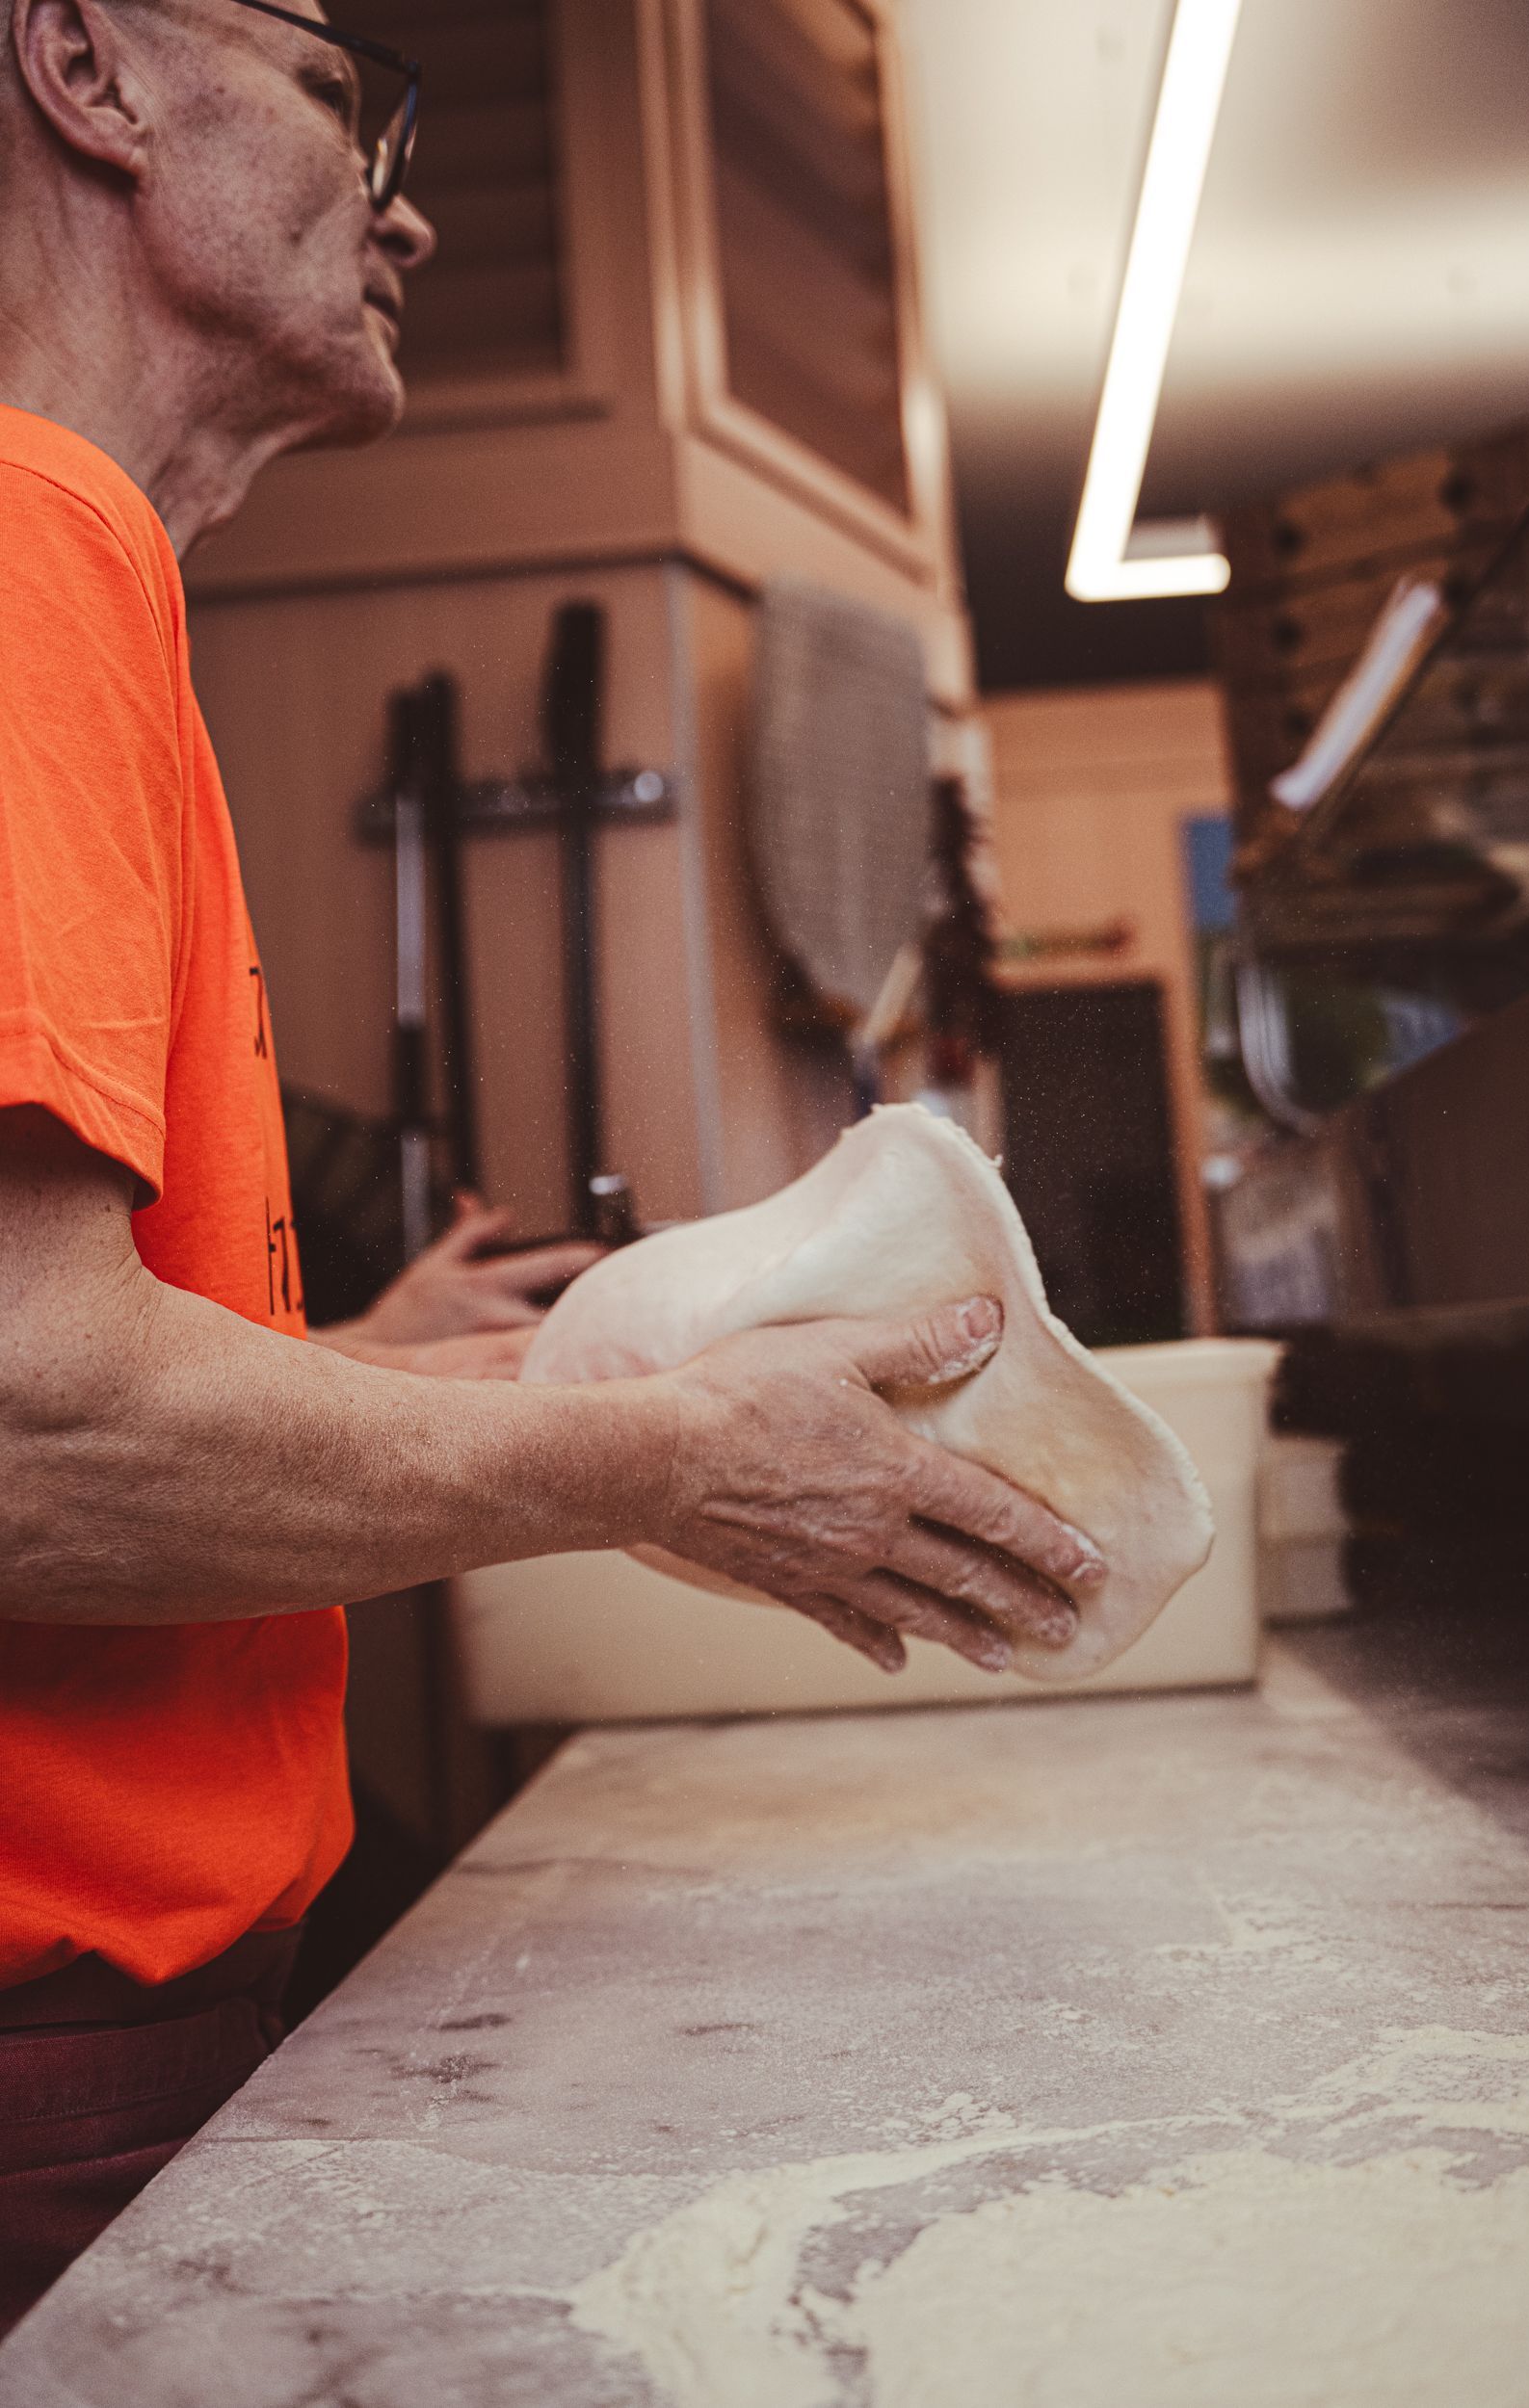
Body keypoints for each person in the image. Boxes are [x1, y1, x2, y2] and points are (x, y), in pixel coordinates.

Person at [0, 0, 1103, 2334]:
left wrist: (374, 1380)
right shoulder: (23, 549)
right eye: (343, 89)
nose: (404, 199)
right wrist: (673, 1456)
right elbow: (25, 1433)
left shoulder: (79, 574)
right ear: (84, 66)